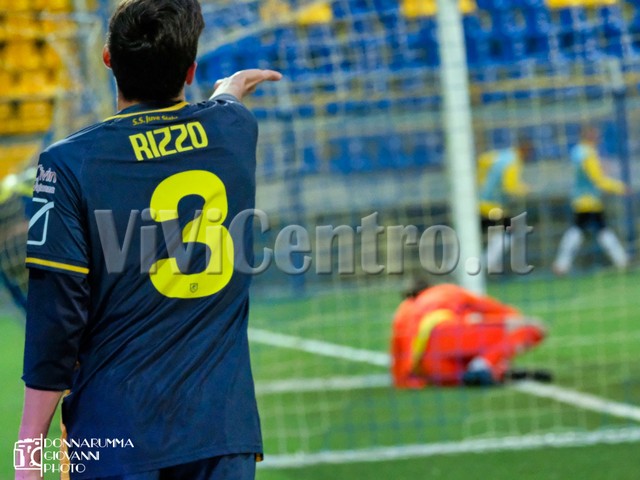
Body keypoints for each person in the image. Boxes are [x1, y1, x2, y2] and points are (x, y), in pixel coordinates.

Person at [17, 0, 282, 479]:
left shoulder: (68, 163)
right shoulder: (235, 131)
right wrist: (229, 88)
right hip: (221, 433)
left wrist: (29, 451)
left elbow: (56, 318)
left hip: (114, 434)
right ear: (190, 70)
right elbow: (226, 103)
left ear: (108, 59)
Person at [391, 282, 547, 388]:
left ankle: (492, 369)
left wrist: (406, 380)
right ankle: (485, 366)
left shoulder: (404, 310)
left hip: (435, 372)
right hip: (447, 336)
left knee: (474, 362)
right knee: (533, 328)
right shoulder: (446, 291)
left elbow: (397, 358)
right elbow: (506, 313)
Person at [552, 125, 628, 275]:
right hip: (589, 200)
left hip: (581, 199)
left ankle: (561, 265)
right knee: (594, 230)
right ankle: (622, 261)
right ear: (589, 136)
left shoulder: (577, 151)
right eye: (596, 135)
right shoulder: (587, 153)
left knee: (585, 230)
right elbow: (597, 179)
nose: (599, 138)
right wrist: (619, 187)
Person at [477, 137, 533, 273]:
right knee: (511, 231)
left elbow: (482, 160)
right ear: (524, 150)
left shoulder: (501, 155)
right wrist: (524, 190)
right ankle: (486, 262)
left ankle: (487, 262)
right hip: (492, 207)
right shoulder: (513, 162)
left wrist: (481, 181)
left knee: (494, 232)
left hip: (479, 202)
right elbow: (509, 187)